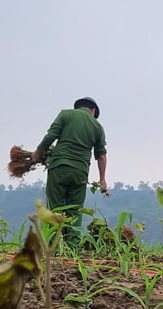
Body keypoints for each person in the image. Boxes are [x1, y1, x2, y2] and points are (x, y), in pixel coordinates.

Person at [33, 97, 109, 246]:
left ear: (78, 107)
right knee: (75, 210)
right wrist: (102, 180)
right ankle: (72, 247)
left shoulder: (65, 114)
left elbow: (51, 136)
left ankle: (51, 246)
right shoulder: (97, 127)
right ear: (93, 110)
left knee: (54, 208)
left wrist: (39, 152)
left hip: (59, 167)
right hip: (80, 172)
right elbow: (101, 155)